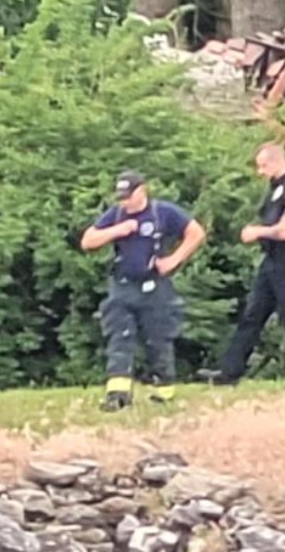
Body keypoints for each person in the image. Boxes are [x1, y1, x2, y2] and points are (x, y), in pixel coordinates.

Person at [79, 170, 205, 410]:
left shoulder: (163, 212)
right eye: (121, 197)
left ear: (142, 190)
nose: (125, 201)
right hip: (123, 285)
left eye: (129, 196)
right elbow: (88, 240)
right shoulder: (115, 215)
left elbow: (195, 233)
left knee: (158, 338)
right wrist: (117, 231)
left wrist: (174, 259)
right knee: (119, 336)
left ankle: (163, 391)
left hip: (155, 286)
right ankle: (117, 395)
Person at [205, 142, 285, 388]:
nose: (260, 172)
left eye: (263, 166)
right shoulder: (276, 189)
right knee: (252, 316)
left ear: (276, 162)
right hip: (271, 261)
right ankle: (229, 373)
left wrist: (258, 232)